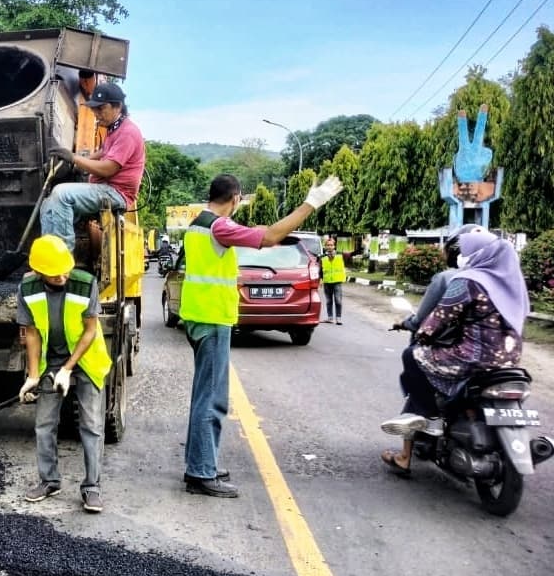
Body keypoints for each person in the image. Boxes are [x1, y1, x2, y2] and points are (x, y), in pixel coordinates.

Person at [180, 173, 344, 497]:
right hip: (212, 320)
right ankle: (200, 472)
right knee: (211, 400)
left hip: (200, 317)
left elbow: (260, 234)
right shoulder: (219, 227)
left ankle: (201, 462)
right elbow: (269, 237)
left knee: (205, 397)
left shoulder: (198, 223)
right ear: (235, 198)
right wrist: (311, 204)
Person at [381, 228, 530, 475]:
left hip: (471, 358)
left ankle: (430, 417)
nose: (463, 255)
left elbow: (436, 320)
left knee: (412, 355)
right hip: (508, 360)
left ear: (477, 253)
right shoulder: (512, 283)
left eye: (467, 250)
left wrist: (422, 335)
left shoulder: (468, 281)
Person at [16, 234, 112, 513]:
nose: (62, 277)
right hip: (51, 362)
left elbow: (90, 331)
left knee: (91, 425)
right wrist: (33, 375)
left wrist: (68, 369)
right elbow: (32, 333)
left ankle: (92, 487)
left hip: (86, 360)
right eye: (55, 274)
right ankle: (49, 481)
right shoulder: (27, 288)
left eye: (65, 270)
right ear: (39, 271)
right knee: (44, 424)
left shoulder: (85, 283)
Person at [41, 82, 145, 251]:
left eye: (101, 108)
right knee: (47, 204)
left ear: (118, 106)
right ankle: (49, 254)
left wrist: (74, 158)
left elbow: (108, 169)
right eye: (95, 109)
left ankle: (63, 257)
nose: (97, 114)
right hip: (105, 188)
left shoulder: (128, 132)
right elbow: (103, 152)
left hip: (116, 192)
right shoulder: (114, 129)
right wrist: (72, 161)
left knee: (61, 194)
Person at [396, 224, 479, 333]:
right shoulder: (498, 280)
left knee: (414, 345)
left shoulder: (446, 278)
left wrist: (407, 323)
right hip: (495, 341)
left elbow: (420, 320)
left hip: (457, 341)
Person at [321, 238, 346, 324]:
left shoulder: (340, 255)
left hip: (337, 282)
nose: (329, 247)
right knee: (329, 301)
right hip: (327, 282)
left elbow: (349, 254)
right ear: (325, 246)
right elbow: (320, 270)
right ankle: (330, 318)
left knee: (338, 301)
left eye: (331, 245)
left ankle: (338, 318)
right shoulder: (322, 257)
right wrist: (320, 280)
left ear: (334, 246)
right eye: (328, 245)